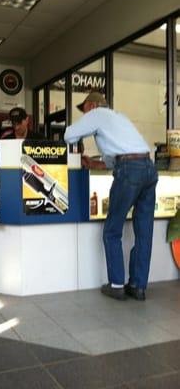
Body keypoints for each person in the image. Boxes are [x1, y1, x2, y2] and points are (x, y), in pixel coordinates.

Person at [64, 91, 158, 301]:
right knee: (144, 232)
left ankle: (116, 284)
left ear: (93, 105)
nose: (85, 113)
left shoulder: (97, 114)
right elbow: (117, 157)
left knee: (112, 230)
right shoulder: (119, 118)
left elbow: (69, 135)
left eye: (85, 108)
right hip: (149, 168)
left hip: (130, 171)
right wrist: (94, 163)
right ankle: (138, 286)